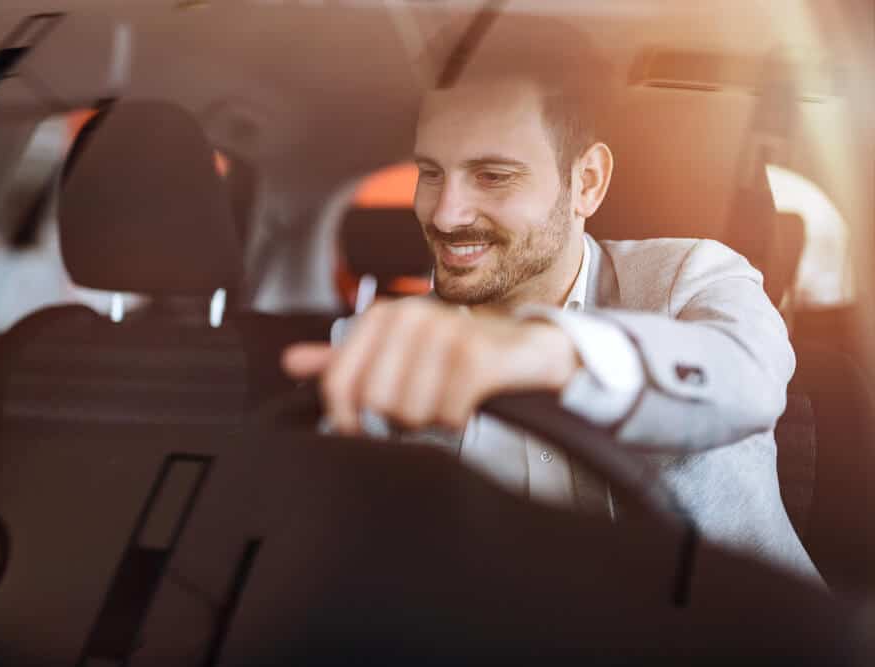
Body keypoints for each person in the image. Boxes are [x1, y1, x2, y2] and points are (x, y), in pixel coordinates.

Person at [282, 24, 819, 581]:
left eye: (492, 176)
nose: (444, 215)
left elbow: (747, 378)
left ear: (587, 181)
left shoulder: (691, 277)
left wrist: (547, 351)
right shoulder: (376, 343)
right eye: (430, 174)